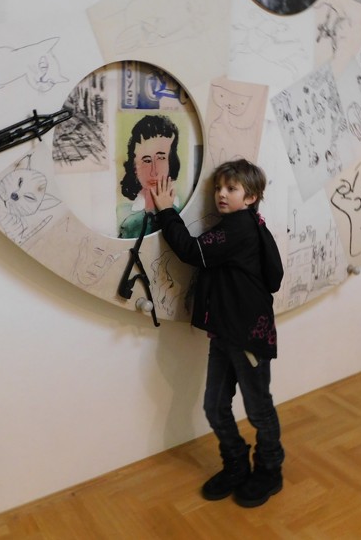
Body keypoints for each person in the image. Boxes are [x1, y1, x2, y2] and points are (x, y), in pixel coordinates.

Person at [150, 159, 285, 508]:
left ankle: (270, 470)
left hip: (247, 336)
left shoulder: (240, 227)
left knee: (258, 409)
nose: (221, 194)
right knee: (214, 405)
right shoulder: (239, 224)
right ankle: (236, 463)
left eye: (231, 189)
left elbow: (192, 251)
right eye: (219, 188)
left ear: (251, 197)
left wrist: (166, 210)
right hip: (226, 333)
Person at [117, 114, 181, 238]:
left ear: (171, 162)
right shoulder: (123, 215)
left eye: (161, 158)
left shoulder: (181, 212)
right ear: (134, 166)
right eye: (146, 160)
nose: (153, 172)